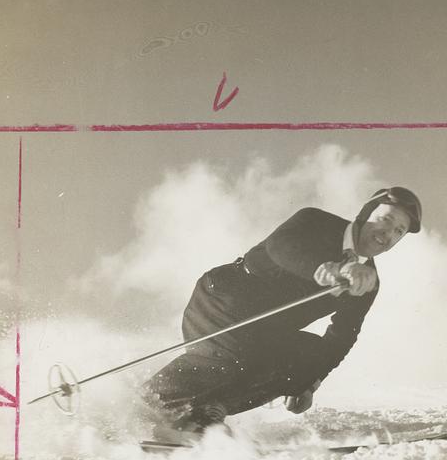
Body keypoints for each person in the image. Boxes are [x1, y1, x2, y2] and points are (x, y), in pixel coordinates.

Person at [144, 186, 422, 438]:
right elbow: (281, 248)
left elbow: (343, 334)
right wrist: (328, 268)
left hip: (264, 331)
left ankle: (205, 412)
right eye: (386, 219)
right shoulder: (316, 221)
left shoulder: (368, 281)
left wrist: (310, 382)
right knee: (232, 355)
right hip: (223, 299)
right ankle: (144, 404)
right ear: (366, 213)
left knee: (311, 357)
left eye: (399, 231)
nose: (388, 234)